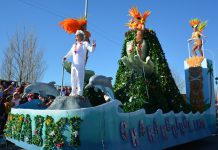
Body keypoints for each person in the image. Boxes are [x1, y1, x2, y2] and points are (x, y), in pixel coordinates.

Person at [63, 30, 96, 97]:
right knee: (73, 78)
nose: (76, 36)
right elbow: (70, 53)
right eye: (76, 35)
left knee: (80, 78)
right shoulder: (74, 45)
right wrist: (65, 57)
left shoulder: (85, 43)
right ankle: (73, 92)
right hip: (74, 65)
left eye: (78, 35)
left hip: (80, 64)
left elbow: (91, 50)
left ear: (81, 36)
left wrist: (93, 46)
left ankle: (80, 93)